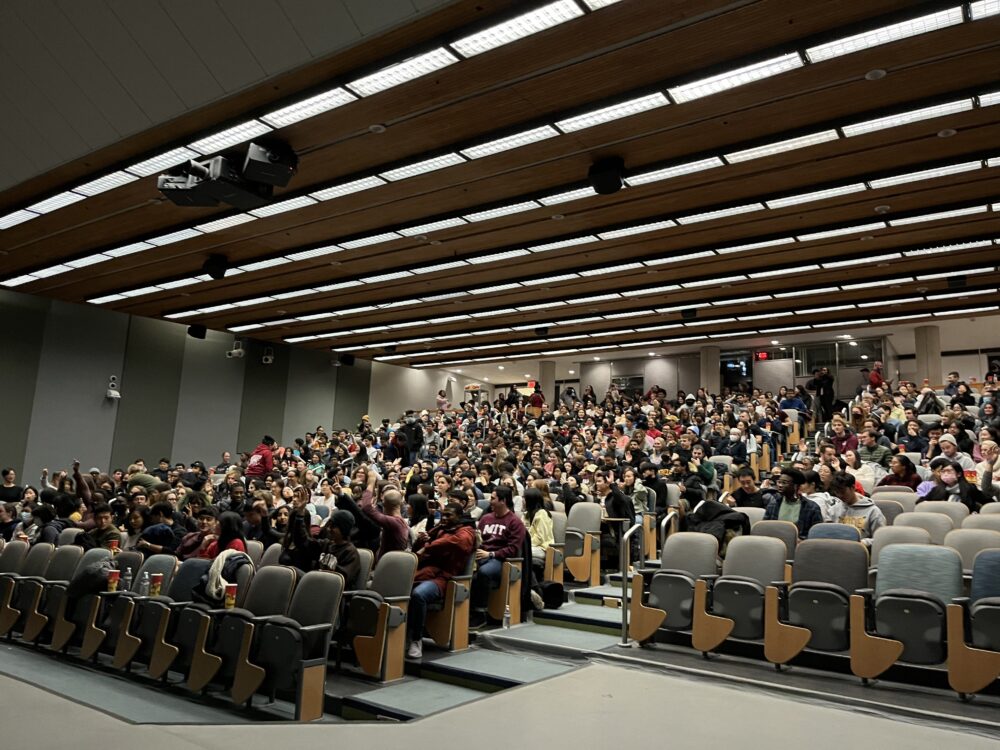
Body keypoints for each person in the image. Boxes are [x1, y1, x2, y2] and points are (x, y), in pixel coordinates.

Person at [406, 502, 476, 660]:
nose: (444, 518)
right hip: (425, 572)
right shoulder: (441, 529)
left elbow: (458, 543)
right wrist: (423, 540)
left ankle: (416, 640)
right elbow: (418, 549)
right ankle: (400, 635)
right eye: (443, 515)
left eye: (449, 515)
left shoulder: (467, 531)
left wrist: (429, 546)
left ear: (459, 516)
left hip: (445, 579)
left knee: (418, 595)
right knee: (397, 586)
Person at [470, 485, 526, 629]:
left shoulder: (515, 522)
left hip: (500, 559)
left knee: (483, 573)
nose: (490, 501)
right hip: (480, 555)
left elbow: (513, 549)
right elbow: (478, 539)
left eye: (493, 498)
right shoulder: (486, 518)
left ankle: (480, 613)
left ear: (503, 501)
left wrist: (491, 554)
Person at [763, 468, 823, 539]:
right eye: (779, 482)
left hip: (800, 546)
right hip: (776, 544)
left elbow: (817, 534)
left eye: (784, 483)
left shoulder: (812, 507)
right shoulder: (773, 504)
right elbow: (765, 528)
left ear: (796, 486)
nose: (780, 485)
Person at [827, 472, 885, 544]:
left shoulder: (873, 511)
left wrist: (862, 543)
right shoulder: (834, 510)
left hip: (861, 550)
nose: (840, 495)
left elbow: (880, 538)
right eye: (837, 492)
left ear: (853, 487)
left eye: (843, 492)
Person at [523, 488, 554, 567]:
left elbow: (540, 538)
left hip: (542, 548)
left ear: (530, 500)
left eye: (524, 498)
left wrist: (525, 544)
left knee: (520, 551)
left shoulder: (542, 514)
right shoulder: (526, 514)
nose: (522, 500)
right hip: (530, 546)